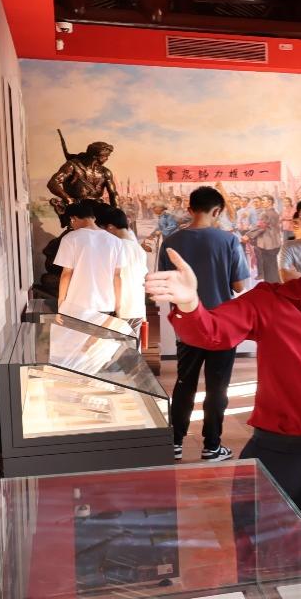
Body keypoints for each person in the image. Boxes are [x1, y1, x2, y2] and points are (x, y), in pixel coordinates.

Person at [146, 190, 301, 569]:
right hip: (275, 461)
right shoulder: (270, 301)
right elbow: (212, 333)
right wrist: (190, 304)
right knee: (263, 572)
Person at [158, 186, 250, 462]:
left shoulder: (171, 241)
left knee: (184, 383)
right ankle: (212, 446)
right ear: (217, 211)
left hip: (187, 323)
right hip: (221, 325)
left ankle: (175, 443)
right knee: (217, 387)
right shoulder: (229, 240)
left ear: (189, 209)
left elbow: (165, 284)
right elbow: (240, 285)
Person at [54, 201, 124, 321]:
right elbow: (117, 276)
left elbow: (66, 274)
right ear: (93, 218)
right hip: (105, 304)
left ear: (73, 219)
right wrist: (118, 306)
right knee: (99, 334)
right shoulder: (116, 241)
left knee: (78, 334)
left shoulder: (70, 239)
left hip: (77, 303)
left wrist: (61, 304)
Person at [96, 207, 150, 340]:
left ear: (110, 227)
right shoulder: (138, 249)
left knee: (113, 348)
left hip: (118, 307)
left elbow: (112, 277)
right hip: (136, 307)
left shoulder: (114, 247)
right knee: (130, 348)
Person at [247, 195, 284, 284]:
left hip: (267, 244)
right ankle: (276, 284)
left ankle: (271, 285)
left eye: (263, 200)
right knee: (272, 266)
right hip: (275, 243)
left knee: (268, 267)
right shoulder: (275, 212)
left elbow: (261, 227)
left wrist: (248, 235)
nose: (262, 202)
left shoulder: (265, 214)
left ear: (270, 202)